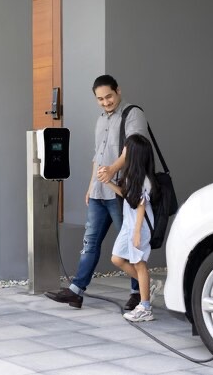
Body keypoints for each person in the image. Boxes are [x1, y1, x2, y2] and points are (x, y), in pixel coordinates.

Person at [44, 74, 162, 310]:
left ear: (118, 90)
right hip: (100, 191)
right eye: (100, 99)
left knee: (129, 245)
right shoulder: (100, 120)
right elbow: (97, 157)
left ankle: (137, 293)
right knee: (90, 243)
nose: (106, 102)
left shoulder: (132, 113)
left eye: (108, 96)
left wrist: (112, 171)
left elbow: (134, 148)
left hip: (123, 191)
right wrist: (91, 185)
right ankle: (76, 292)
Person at [103, 133, 162, 321]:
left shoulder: (144, 179)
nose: (123, 151)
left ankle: (145, 308)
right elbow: (129, 197)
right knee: (117, 258)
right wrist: (108, 183)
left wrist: (137, 233)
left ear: (133, 153)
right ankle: (149, 285)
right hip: (130, 226)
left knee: (139, 263)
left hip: (139, 226)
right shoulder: (132, 176)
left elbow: (141, 207)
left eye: (126, 149)